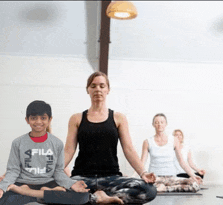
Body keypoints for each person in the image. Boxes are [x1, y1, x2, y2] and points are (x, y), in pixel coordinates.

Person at [64, 71, 157, 204]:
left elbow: (129, 149)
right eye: (93, 86)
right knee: (47, 191)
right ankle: (100, 198)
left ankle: (94, 198)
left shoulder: (118, 118)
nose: (98, 89)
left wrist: (143, 173)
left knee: (149, 190)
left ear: (108, 90)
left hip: (111, 179)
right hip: (82, 179)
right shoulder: (76, 118)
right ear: (87, 90)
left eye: (102, 86)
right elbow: (68, 150)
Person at [0, 100, 91, 205]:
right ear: (27, 120)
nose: (38, 122)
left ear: (50, 119)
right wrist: (2, 187)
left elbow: (58, 172)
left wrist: (71, 184)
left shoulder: (57, 143)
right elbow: (13, 170)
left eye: (43, 118)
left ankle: (25, 193)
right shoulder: (18, 143)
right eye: (33, 118)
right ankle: (43, 196)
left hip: (48, 183)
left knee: (83, 197)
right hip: (24, 182)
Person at [140, 114, 201, 192]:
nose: (159, 124)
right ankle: (166, 188)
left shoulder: (174, 140)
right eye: (157, 122)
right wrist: (133, 176)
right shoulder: (147, 142)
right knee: (145, 187)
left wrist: (193, 175)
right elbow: (142, 163)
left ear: (166, 124)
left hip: (171, 178)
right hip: (155, 178)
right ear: (153, 125)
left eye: (162, 122)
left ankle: (164, 189)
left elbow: (181, 161)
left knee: (194, 185)